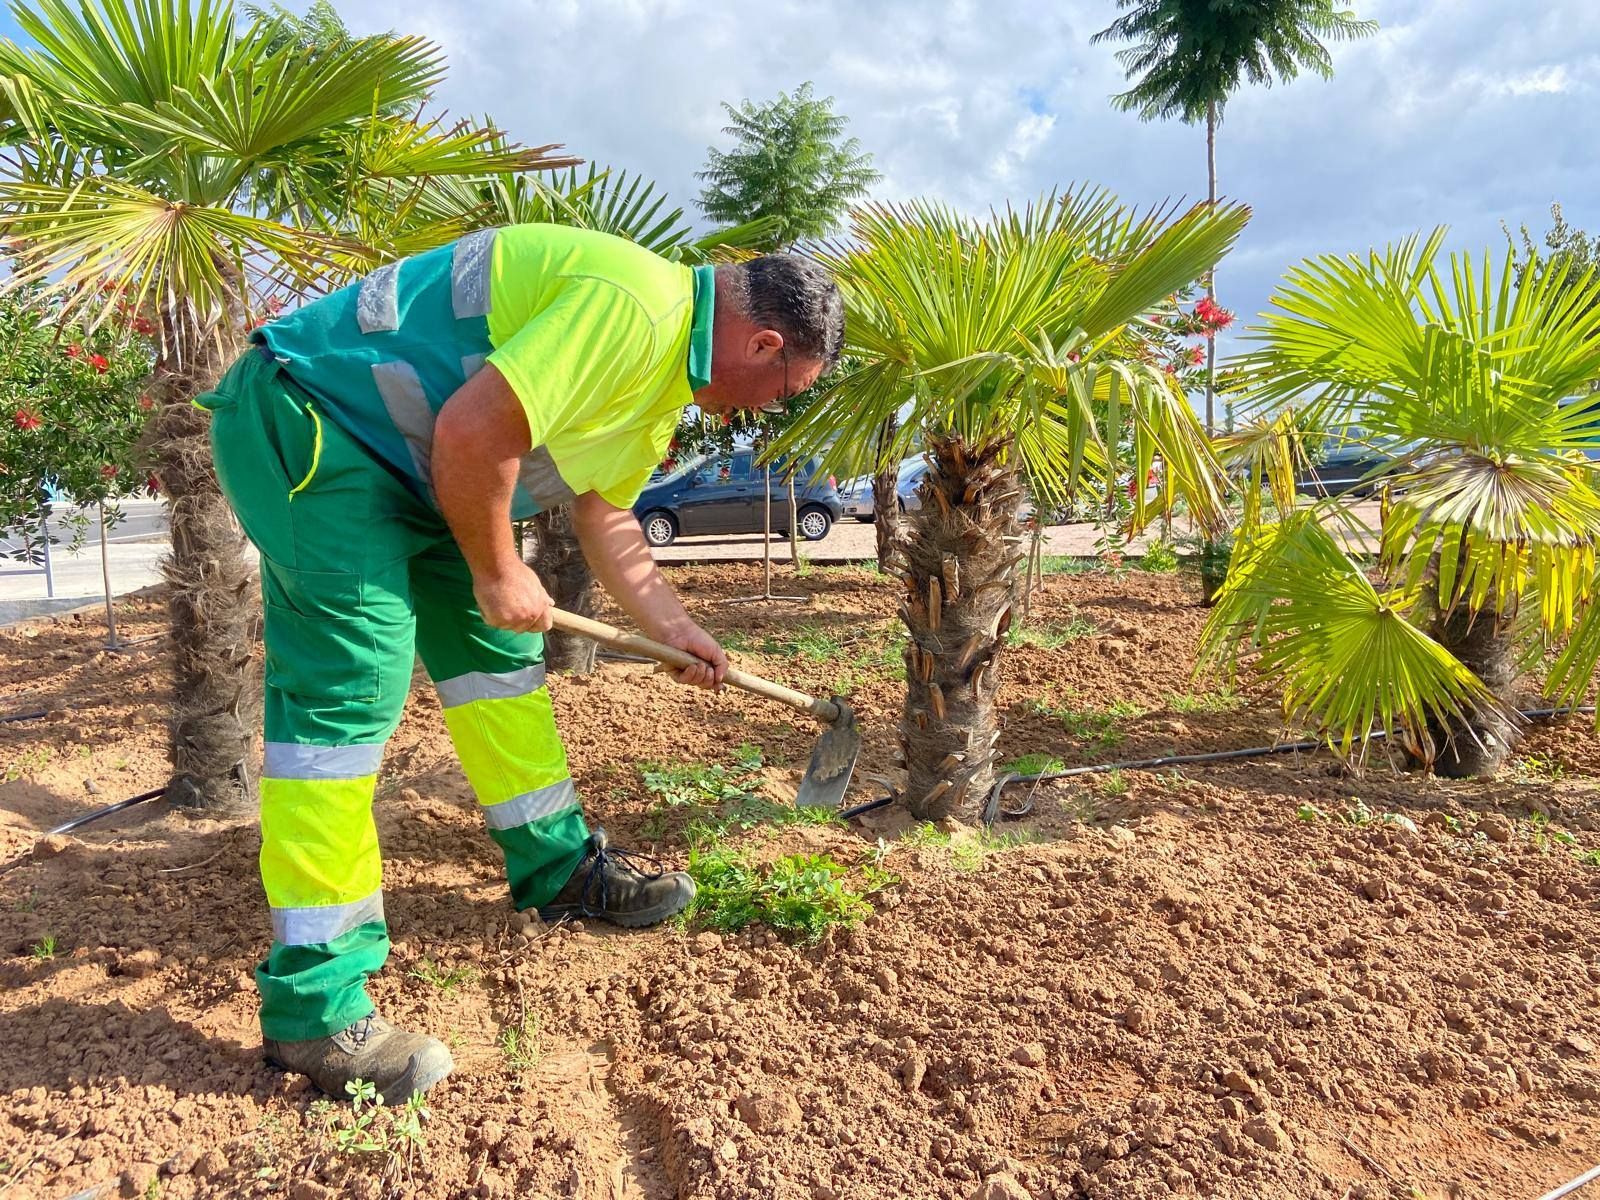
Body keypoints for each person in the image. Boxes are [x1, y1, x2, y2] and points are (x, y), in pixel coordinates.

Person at [198, 224, 843, 1102]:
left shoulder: (660, 384)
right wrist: (500, 571)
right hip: (315, 420)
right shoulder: (636, 306)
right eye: (780, 391)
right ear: (763, 344)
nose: (762, 410)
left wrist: (675, 627)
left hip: (417, 474)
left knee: (500, 662)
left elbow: (606, 513)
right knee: (349, 693)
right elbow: (474, 428)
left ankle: (558, 869)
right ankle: (313, 1006)